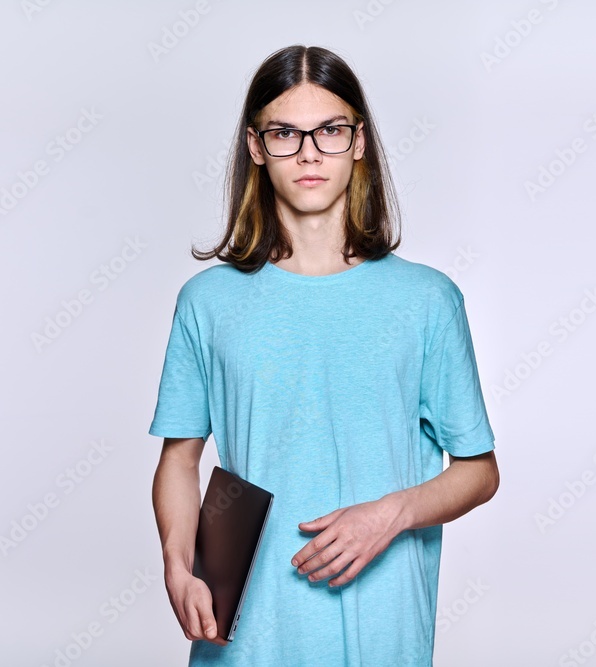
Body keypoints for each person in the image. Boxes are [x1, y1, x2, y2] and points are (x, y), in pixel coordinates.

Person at [150, 44, 500, 667]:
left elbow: (479, 471)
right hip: (246, 634)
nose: (309, 153)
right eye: (285, 132)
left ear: (358, 141)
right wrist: (178, 565)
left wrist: (390, 514)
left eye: (330, 130)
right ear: (257, 147)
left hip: (381, 627)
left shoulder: (426, 301)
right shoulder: (208, 302)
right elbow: (180, 459)